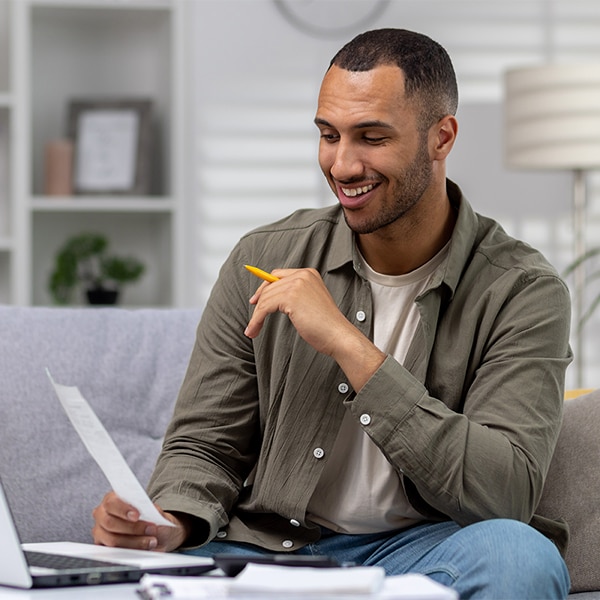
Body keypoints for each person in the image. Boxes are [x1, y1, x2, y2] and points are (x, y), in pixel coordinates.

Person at [92, 29, 572, 598]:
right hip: (265, 548)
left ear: (440, 138)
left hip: (421, 551)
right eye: (328, 135)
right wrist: (169, 524)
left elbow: (506, 492)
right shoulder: (263, 258)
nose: (342, 164)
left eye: (371, 137)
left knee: (522, 559)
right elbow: (205, 445)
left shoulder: (522, 290)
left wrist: (350, 346)